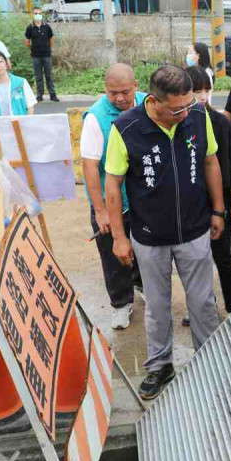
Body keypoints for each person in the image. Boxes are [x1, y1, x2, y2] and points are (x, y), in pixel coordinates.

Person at [104, 65, 225, 401]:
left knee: (202, 301)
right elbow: (112, 184)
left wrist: (218, 209)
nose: (184, 113)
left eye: (189, 104)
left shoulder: (197, 116)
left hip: (194, 229)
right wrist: (118, 236)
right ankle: (160, 365)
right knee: (157, 306)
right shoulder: (126, 128)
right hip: (148, 234)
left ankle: (209, 362)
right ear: (154, 101)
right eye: (177, 108)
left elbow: (210, 161)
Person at [81, 63, 145, 330]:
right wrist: (100, 209)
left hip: (143, 197)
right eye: (112, 92)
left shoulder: (147, 105)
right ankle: (121, 304)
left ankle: (143, 286)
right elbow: (90, 166)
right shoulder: (96, 117)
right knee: (113, 254)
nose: (119, 98)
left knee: (146, 249)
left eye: (125, 92)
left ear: (136, 86)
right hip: (112, 200)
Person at [186, 65, 231, 314]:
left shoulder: (219, 122)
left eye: (206, 90)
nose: (202, 96)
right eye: (196, 90)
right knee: (194, 261)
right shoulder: (179, 123)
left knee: (222, 257)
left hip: (218, 203)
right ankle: (200, 307)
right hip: (191, 204)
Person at [0, 51, 37, 115]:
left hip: (20, 124)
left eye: (0, 61)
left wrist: (25, 123)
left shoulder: (21, 82)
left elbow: (30, 108)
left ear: (6, 63)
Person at [24, 6, 58, 102]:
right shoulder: (30, 28)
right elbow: (27, 42)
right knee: (38, 77)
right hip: (35, 56)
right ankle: (39, 95)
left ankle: (52, 95)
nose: (38, 15)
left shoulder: (47, 26)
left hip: (47, 55)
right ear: (32, 15)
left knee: (49, 76)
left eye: (39, 13)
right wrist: (33, 48)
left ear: (42, 14)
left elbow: (51, 39)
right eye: (35, 13)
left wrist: (48, 49)